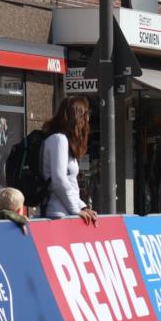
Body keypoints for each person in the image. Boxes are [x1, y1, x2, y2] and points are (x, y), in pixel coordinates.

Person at [41, 96, 98, 225]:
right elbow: (59, 180)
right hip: (58, 213)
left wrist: (82, 206)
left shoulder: (63, 141)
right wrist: (76, 209)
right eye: (86, 113)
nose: (88, 118)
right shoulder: (59, 140)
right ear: (76, 116)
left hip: (66, 211)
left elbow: (69, 182)